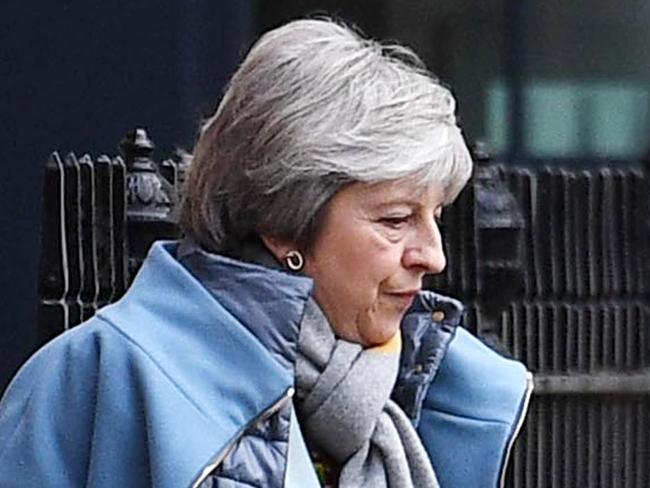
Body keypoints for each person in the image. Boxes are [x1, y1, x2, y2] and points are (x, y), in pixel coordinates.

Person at [0, 18, 532, 488]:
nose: (433, 256)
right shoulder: (95, 377)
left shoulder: (429, 394)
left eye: (435, 216)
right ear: (284, 225)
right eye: (396, 219)